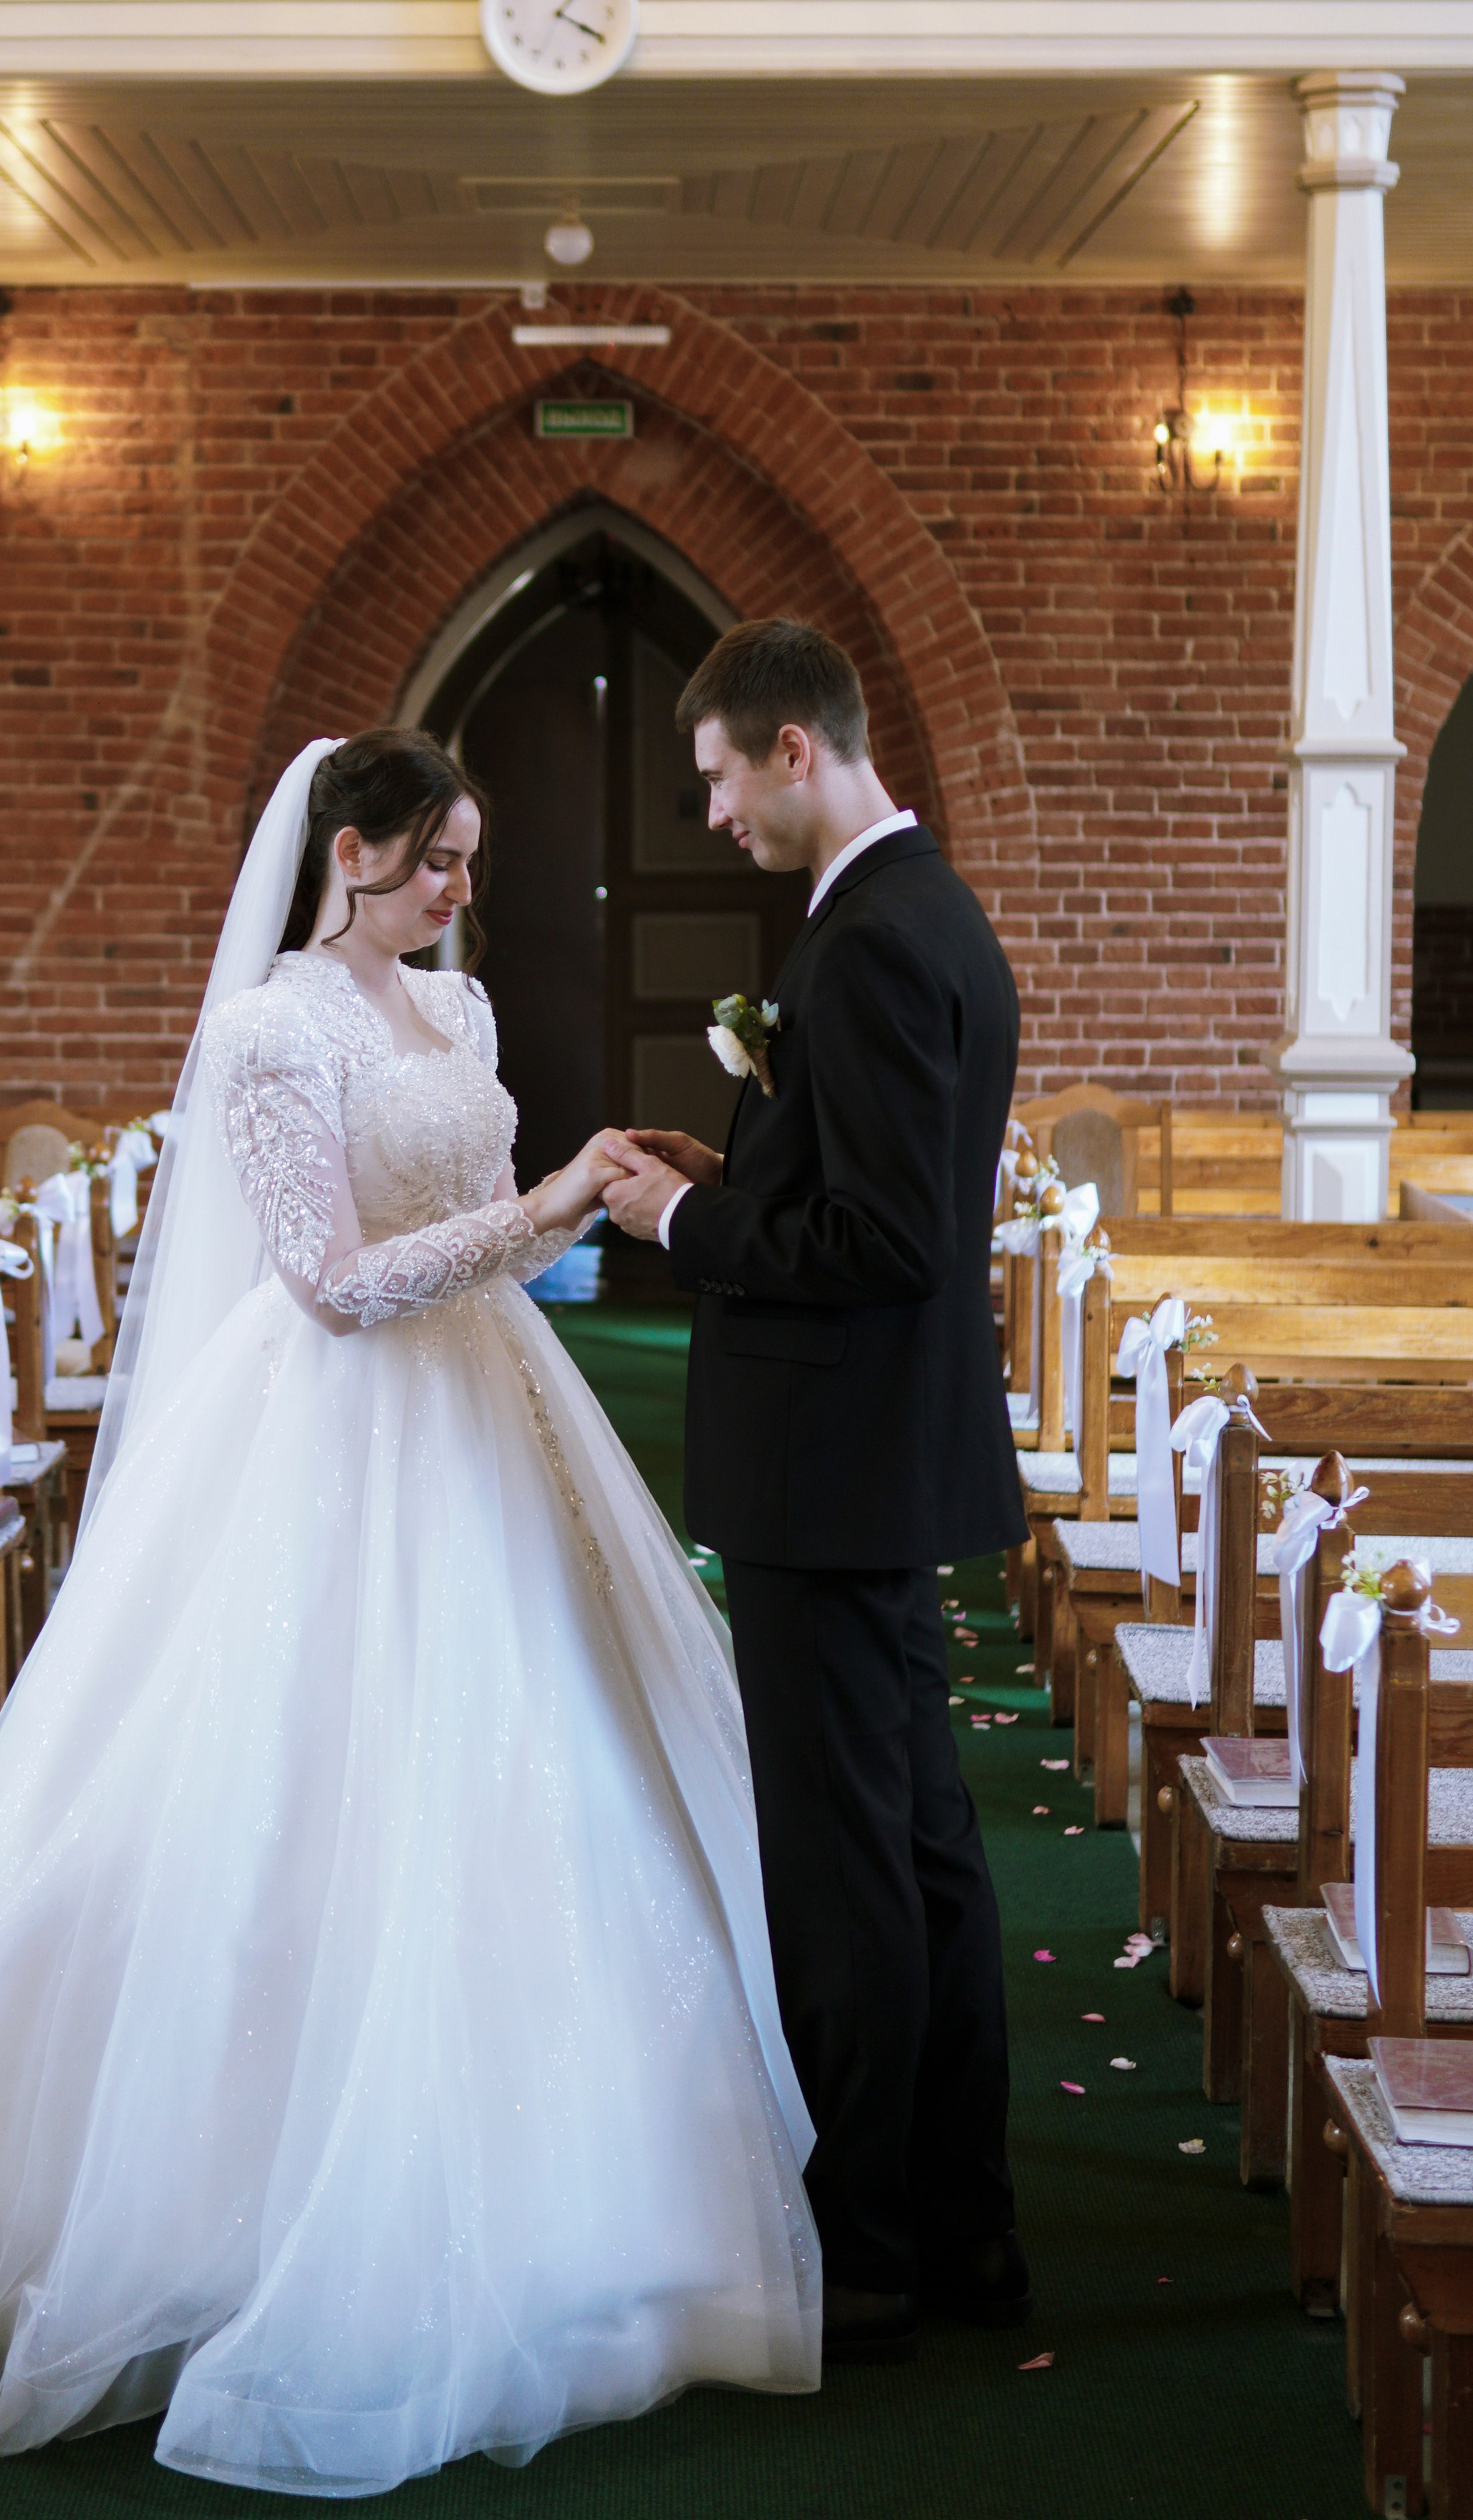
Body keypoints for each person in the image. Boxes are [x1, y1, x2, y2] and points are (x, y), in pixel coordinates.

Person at [0, 727, 820, 2497]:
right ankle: (195, 2216)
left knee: (559, 1763)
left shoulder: (458, 1016)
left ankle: (575, 2208)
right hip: (329, 1436)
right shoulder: (265, 1033)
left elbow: (465, 1224)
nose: (462, 894)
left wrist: (556, 1199)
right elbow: (326, 1285)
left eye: (468, 863)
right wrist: (555, 1202)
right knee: (289, 1785)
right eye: (435, 866)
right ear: (348, 857)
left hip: (489, 1409)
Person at [602, 619, 1029, 2368]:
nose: (707, 812)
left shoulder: (862, 943)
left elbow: (887, 1239)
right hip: (878, 1466)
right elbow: (871, 1184)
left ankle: (864, 2251)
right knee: (920, 1858)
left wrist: (681, 1225)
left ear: (791, 747)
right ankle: (956, 2234)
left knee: (845, 1877)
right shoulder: (913, 910)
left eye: (713, 775)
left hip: (829, 1476)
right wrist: (748, 1154)